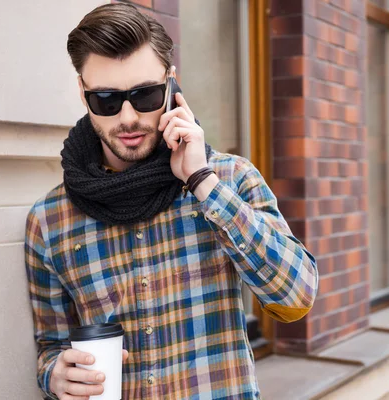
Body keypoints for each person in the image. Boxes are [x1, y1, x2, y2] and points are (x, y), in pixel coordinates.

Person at [24, 2, 318, 399]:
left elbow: (296, 297)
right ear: (82, 91)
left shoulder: (229, 179)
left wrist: (201, 181)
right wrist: (54, 376)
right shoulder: (50, 220)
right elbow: (51, 348)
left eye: (145, 95)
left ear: (171, 84)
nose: (128, 118)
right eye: (107, 100)